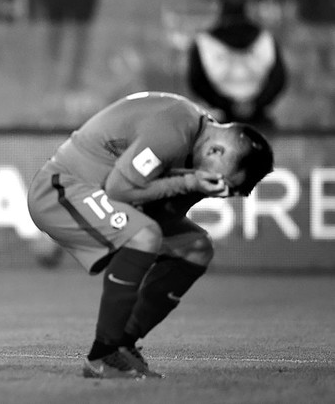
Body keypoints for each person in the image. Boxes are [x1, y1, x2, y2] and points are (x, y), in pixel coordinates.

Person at [27, 91, 273, 378]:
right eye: (225, 184)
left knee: (195, 248)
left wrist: (191, 185)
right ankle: (102, 355)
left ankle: (122, 345)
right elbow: (120, 189)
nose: (221, 192)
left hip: (102, 195)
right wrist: (190, 182)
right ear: (216, 152)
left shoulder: (196, 150)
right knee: (144, 236)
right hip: (62, 190)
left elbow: (162, 207)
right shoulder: (175, 127)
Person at [187, 0, 287, 129]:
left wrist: (226, 106)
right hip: (261, 123)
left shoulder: (204, 42)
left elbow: (197, 81)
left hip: (222, 125)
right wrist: (257, 104)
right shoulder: (265, 38)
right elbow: (278, 79)